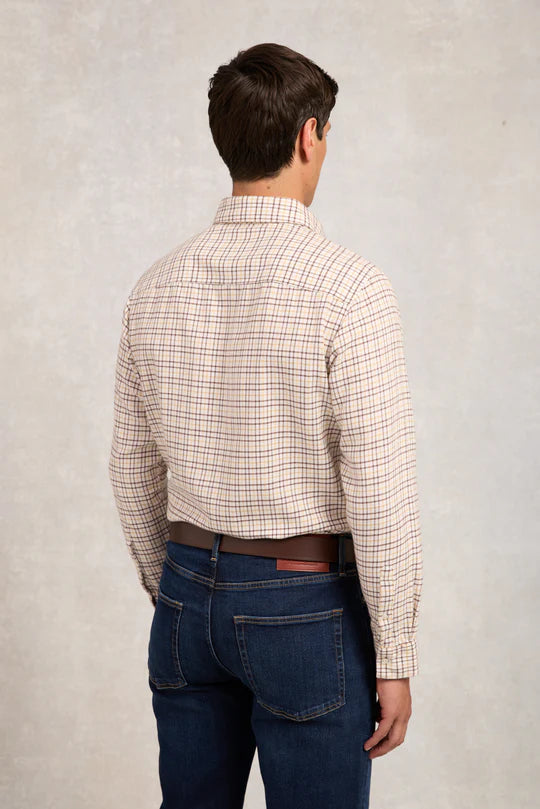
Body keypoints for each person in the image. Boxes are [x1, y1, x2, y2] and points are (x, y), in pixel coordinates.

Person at [108, 41, 423, 809]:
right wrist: (397, 655)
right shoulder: (351, 289)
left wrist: (174, 584)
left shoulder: (155, 286)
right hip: (303, 604)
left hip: (185, 597)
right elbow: (380, 487)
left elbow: (131, 467)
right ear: (309, 136)